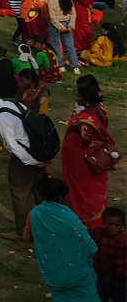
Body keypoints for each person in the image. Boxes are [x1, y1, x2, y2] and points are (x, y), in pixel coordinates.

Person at [0, 95, 49, 241]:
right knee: (40, 191)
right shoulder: (13, 104)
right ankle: (47, 225)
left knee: (20, 194)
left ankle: (23, 231)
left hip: (25, 158)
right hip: (38, 151)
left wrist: (31, 161)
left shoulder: (2, 118)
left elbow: (13, 146)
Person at [29, 176, 98, 302]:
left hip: (52, 273)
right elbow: (89, 246)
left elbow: (27, 237)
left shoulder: (35, 213)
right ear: (61, 197)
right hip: (77, 276)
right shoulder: (69, 218)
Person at [63, 75, 116, 225]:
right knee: (90, 185)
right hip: (85, 152)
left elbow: (86, 139)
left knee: (81, 186)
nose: (76, 96)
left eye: (78, 94)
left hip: (79, 155)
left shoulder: (86, 119)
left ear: (85, 100)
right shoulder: (97, 109)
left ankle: (83, 215)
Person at [89, 207, 127, 302]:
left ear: (122, 225)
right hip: (101, 274)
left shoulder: (124, 241)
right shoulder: (97, 233)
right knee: (100, 297)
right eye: (109, 224)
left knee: (120, 297)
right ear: (103, 222)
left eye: (116, 225)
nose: (112, 228)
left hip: (119, 277)